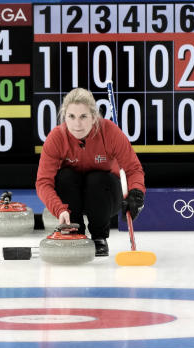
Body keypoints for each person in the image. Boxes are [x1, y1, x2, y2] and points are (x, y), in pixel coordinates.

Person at [36, 88, 146, 256]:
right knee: (65, 176)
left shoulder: (110, 132)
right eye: (71, 116)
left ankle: (99, 238)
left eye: (83, 117)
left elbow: (133, 169)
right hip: (73, 198)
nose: (77, 124)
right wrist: (60, 210)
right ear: (64, 117)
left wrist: (136, 193)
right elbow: (43, 182)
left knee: (97, 178)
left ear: (94, 117)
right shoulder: (56, 138)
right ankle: (75, 231)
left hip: (105, 196)